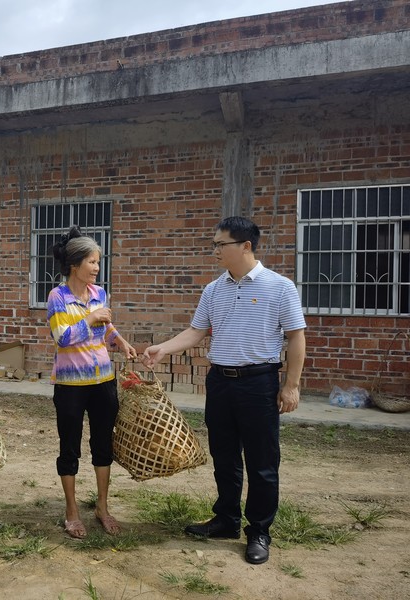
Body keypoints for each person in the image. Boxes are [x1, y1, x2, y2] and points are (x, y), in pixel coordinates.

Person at [142, 216, 306, 565]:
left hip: (259, 383)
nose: (215, 250)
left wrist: (291, 385)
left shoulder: (280, 287)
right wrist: (163, 348)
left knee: (262, 462)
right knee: (224, 455)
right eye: (214, 244)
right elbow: (196, 331)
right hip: (220, 382)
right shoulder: (214, 289)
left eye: (221, 244)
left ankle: (259, 531)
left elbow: (296, 336)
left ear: (245, 246)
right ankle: (227, 519)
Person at [47, 226, 137, 539]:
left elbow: (106, 327)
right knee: (69, 447)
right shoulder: (57, 296)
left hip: (103, 381)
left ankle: (102, 507)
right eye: (92, 262)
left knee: (103, 445)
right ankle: (71, 511)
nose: (97, 267)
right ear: (75, 265)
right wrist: (90, 318)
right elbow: (62, 337)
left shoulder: (99, 293)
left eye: (98, 262)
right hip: (70, 385)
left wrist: (119, 340)